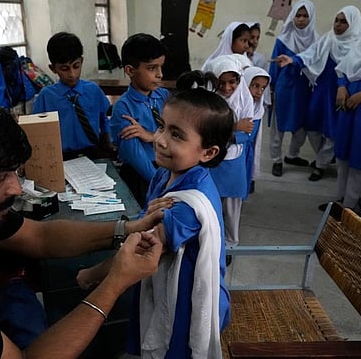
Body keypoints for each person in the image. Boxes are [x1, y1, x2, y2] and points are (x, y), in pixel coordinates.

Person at [0, 94, 166, 359]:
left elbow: (38, 236)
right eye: (0, 177)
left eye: (15, 172)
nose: (16, 188)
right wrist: (114, 282)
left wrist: (127, 228)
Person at [78, 72, 233, 357]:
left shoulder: (190, 205)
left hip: (184, 299)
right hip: (160, 282)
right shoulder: (164, 176)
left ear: (208, 153)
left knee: (172, 347)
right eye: (162, 126)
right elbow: (143, 225)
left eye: (176, 135)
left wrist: (94, 274)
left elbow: (140, 248)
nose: (160, 140)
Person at [274, 5, 361, 181]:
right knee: (311, 127)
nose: (337, 25)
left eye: (343, 22)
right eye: (336, 20)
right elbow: (311, 54)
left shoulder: (359, 48)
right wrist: (292, 59)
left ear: (353, 24)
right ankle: (322, 158)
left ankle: (321, 164)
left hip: (342, 93)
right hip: (322, 91)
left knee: (332, 132)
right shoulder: (328, 39)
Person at [32, 32, 116, 161]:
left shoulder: (93, 90)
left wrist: (108, 140)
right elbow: (37, 132)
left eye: (76, 66)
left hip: (93, 153)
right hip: (61, 158)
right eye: (64, 69)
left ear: (81, 61)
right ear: (53, 68)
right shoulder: (46, 96)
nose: (72, 74)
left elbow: (103, 118)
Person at [111, 33, 170, 207]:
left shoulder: (164, 96)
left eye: (161, 67)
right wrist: (161, 184)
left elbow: (177, 132)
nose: (160, 74)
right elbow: (135, 155)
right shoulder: (123, 107)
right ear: (130, 70)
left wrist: (152, 135)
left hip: (167, 168)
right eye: (152, 68)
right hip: (142, 175)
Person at [205, 54, 254, 257]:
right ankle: (211, 242)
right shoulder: (209, 100)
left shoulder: (245, 99)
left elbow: (247, 134)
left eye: (232, 82)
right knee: (211, 203)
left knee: (232, 207)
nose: (226, 88)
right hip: (212, 160)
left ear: (239, 80)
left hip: (234, 161)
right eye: (221, 82)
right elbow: (206, 132)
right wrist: (234, 127)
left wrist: (223, 133)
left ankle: (231, 245)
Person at [320, 21, 361, 214]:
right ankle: (338, 200)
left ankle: (349, 206)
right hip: (347, 110)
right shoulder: (360, 47)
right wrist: (341, 86)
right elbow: (343, 70)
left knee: (359, 158)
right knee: (342, 155)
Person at [268, 0, 318, 177]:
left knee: (301, 126)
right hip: (284, 88)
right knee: (278, 127)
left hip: (304, 89)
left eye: (306, 16)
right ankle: (276, 160)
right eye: (298, 15)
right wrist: (271, 87)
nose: (302, 20)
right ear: (292, 16)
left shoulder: (315, 40)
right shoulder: (283, 39)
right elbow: (274, 65)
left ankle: (292, 155)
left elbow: (316, 64)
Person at [243, 66, 271, 193]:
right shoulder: (235, 108)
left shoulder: (259, 110)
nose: (259, 92)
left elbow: (255, 142)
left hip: (247, 155)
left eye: (263, 88)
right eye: (255, 86)